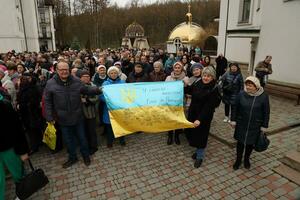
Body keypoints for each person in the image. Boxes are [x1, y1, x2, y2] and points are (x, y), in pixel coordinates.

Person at [44, 61, 101, 168]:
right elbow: (47, 101)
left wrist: (98, 89)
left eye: (66, 69)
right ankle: (72, 158)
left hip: (78, 116)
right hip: (63, 118)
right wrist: (49, 117)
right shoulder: (50, 83)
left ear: (69, 70)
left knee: (82, 138)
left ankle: (86, 156)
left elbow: (86, 89)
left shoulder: (76, 81)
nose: (64, 71)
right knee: (68, 140)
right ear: (57, 70)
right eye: (61, 70)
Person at [230, 76, 270, 170]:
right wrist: (233, 120)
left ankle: (247, 159)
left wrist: (264, 125)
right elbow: (235, 107)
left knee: (250, 143)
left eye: (250, 85)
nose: (248, 87)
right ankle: (238, 160)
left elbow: (266, 112)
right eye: (247, 85)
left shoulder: (263, 96)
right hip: (241, 123)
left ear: (256, 86)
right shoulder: (241, 94)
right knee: (240, 142)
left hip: (255, 124)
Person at [185, 66, 219, 168]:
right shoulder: (198, 83)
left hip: (203, 117)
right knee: (192, 134)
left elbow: (208, 107)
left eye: (208, 76)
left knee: (201, 137)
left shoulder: (214, 88)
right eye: (204, 75)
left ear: (212, 77)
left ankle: (199, 156)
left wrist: (199, 119)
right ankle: (197, 150)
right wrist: (181, 86)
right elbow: (189, 90)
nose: (205, 78)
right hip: (193, 114)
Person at [0, 94, 29, 200]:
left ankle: (21, 194)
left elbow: (18, 129)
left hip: (10, 149)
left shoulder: (5, 105)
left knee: (18, 175)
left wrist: (23, 151)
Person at [16, 73, 43, 155]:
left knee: (31, 131)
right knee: (35, 129)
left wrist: (20, 106)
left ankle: (34, 147)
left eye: (19, 80)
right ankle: (39, 142)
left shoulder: (26, 91)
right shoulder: (32, 88)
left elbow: (30, 103)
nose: (18, 82)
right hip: (33, 114)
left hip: (29, 114)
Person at [100, 66, 126, 147]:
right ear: (109, 74)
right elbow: (101, 96)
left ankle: (122, 139)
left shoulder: (122, 83)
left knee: (120, 124)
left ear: (118, 73)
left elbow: (126, 95)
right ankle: (109, 141)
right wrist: (109, 102)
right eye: (111, 73)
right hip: (109, 108)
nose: (113, 74)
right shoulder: (105, 84)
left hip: (119, 107)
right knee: (109, 126)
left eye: (115, 73)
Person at [165, 62, 189, 145]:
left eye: (179, 68)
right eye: (176, 68)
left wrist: (185, 84)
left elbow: (188, 91)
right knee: (170, 119)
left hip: (180, 102)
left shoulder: (185, 78)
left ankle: (177, 136)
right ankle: (170, 135)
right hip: (170, 102)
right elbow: (165, 89)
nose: (177, 69)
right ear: (173, 69)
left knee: (178, 119)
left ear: (181, 69)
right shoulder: (168, 78)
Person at [80, 70, 99, 155]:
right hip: (81, 114)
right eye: (85, 76)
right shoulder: (77, 86)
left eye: (88, 76)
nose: (87, 78)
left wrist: (86, 100)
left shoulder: (93, 86)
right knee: (84, 131)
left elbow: (96, 98)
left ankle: (94, 147)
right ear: (80, 78)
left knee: (92, 131)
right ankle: (86, 145)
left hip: (91, 113)